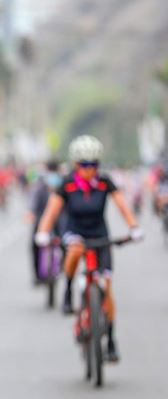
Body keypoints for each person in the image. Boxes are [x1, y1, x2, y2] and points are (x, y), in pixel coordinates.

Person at [35, 135, 142, 363]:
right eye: (84, 164)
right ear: (75, 164)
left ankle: (111, 340)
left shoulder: (105, 182)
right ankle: (69, 289)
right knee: (74, 249)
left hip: (100, 234)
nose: (89, 169)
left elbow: (122, 206)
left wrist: (133, 227)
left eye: (93, 164)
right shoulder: (66, 184)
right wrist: (43, 232)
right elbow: (51, 212)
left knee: (107, 287)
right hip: (75, 232)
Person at [27, 160, 65, 283]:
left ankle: (63, 267)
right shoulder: (40, 185)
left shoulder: (64, 184)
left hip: (60, 220)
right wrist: (31, 212)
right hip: (42, 219)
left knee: (66, 243)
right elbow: (33, 200)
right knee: (35, 244)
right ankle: (38, 275)